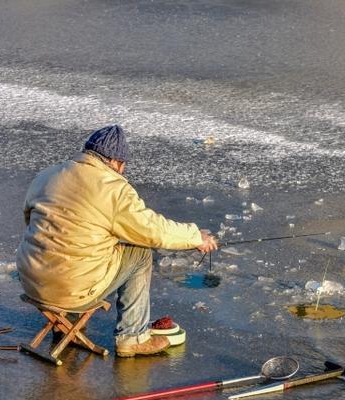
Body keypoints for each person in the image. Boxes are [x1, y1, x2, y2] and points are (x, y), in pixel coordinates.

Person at [17, 125, 218, 357]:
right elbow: (152, 231)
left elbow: (29, 220)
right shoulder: (114, 189)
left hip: (32, 282)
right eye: (123, 166)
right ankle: (132, 337)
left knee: (67, 244)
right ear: (117, 162)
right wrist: (195, 237)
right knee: (140, 253)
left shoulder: (47, 175)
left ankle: (66, 325)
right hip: (71, 290)